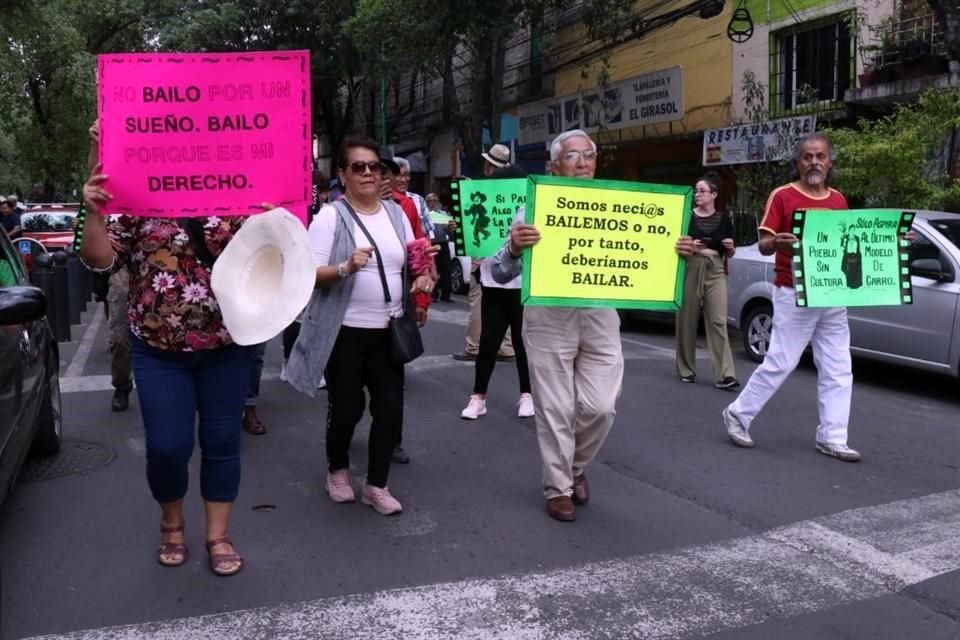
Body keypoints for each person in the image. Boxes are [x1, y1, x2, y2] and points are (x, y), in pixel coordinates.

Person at [80, 121, 249, 575]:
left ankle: (218, 535)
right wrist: (93, 211)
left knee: (221, 441)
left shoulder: (240, 195)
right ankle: (171, 523)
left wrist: (279, 217)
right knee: (168, 446)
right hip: (158, 349)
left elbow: (274, 256)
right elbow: (100, 259)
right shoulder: (136, 198)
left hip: (228, 344)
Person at [285, 135, 435, 515]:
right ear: (343, 175)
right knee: (348, 408)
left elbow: (415, 261)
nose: (368, 173)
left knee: (389, 408)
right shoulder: (331, 217)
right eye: (358, 167)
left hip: (389, 330)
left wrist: (423, 278)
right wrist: (346, 268)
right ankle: (337, 471)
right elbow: (310, 274)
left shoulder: (397, 214)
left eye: (374, 167)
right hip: (345, 334)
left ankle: (376, 485)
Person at [491, 129, 622, 522]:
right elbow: (498, 271)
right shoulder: (533, 209)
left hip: (600, 313)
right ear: (553, 166)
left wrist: (677, 252)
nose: (581, 163)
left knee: (601, 406)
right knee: (556, 407)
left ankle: (575, 467)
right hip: (549, 315)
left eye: (588, 155)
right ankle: (558, 488)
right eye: (571, 157)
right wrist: (515, 248)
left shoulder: (621, 207)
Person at [718, 132, 862, 462]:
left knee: (839, 367)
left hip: (831, 294)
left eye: (820, 156)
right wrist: (777, 243)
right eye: (808, 156)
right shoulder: (783, 196)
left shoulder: (838, 200)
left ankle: (833, 437)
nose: (814, 162)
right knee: (782, 361)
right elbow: (765, 242)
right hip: (793, 292)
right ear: (798, 162)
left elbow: (852, 242)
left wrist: (896, 238)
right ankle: (738, 415)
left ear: (830, 162)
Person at [673, 174, 739, 390]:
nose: (697, 195)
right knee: (687, 319)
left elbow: (730, 252)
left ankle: (725, 375)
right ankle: (686, 369)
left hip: (716, 268)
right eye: (696, 191)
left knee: (718, 321)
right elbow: (675, 243)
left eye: (702, 191)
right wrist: (689, 245)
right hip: (692, 265)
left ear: (714, 194)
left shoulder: (724, 218)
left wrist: (730, 248)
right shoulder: (686, 216)